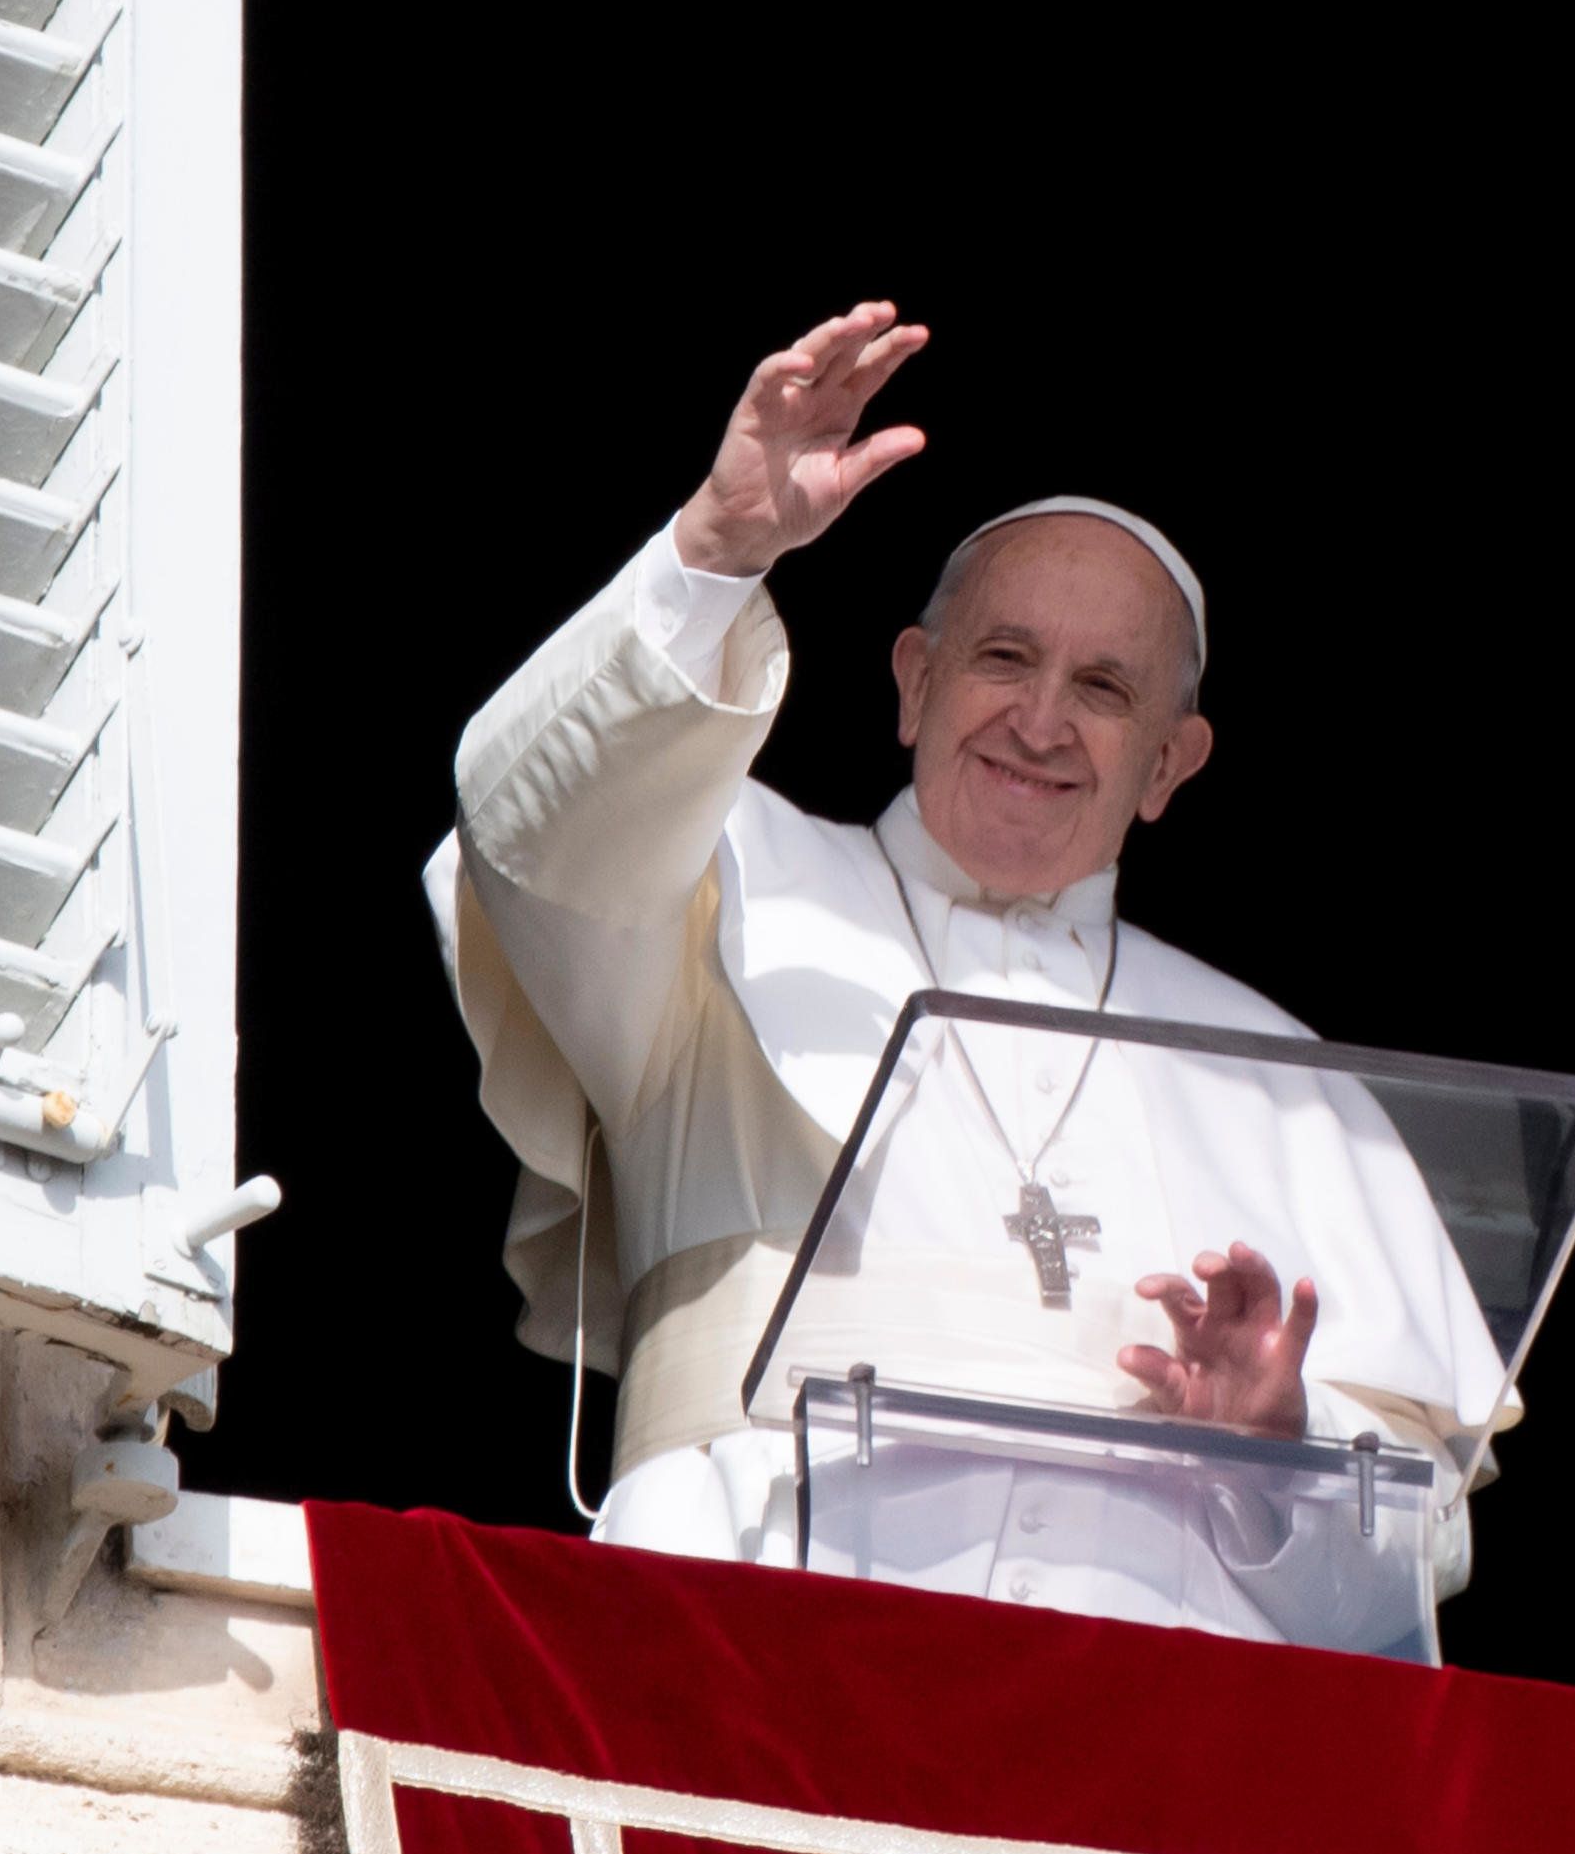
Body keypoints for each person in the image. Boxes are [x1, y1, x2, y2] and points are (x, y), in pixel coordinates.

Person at [427, 303, 1512, 1647]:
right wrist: (717, 550)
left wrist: (1281, 1448)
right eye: (1005, 659)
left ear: (1171, 765)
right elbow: (534, 833)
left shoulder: (1284, 1074)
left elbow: (1426, 1552)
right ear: (913, 681)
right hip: (757, 1647)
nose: (1043, 721)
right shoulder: (715, 883)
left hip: (1156, 1744)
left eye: (1106, 689)